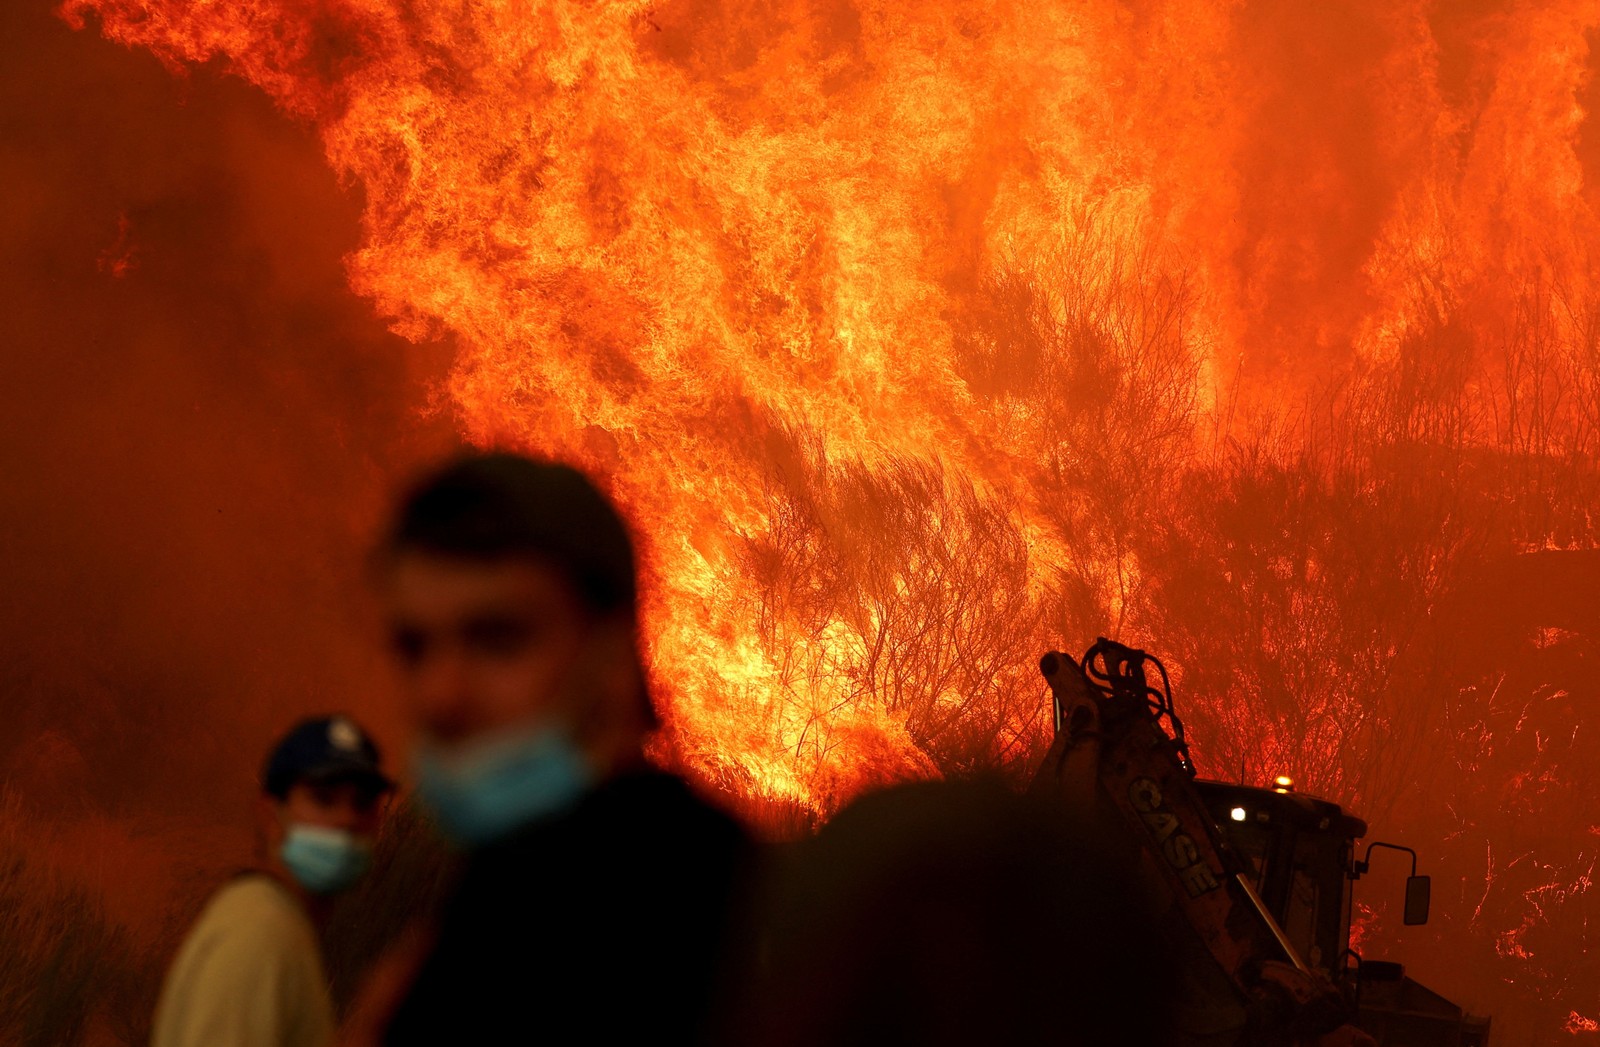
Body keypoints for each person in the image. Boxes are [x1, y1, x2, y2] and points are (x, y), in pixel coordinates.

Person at [368, 452, 751, 1045]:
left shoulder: (688, 908)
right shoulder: (505, 892)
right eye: (415, 648)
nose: (439, 696)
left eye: (498, 640)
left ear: (612, 654)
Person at [151, 715, 392, 1047]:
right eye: (323, 799)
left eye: (363, 803)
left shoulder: (277, 926)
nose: (347, 819)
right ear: (270, 815)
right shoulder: (259, 937)